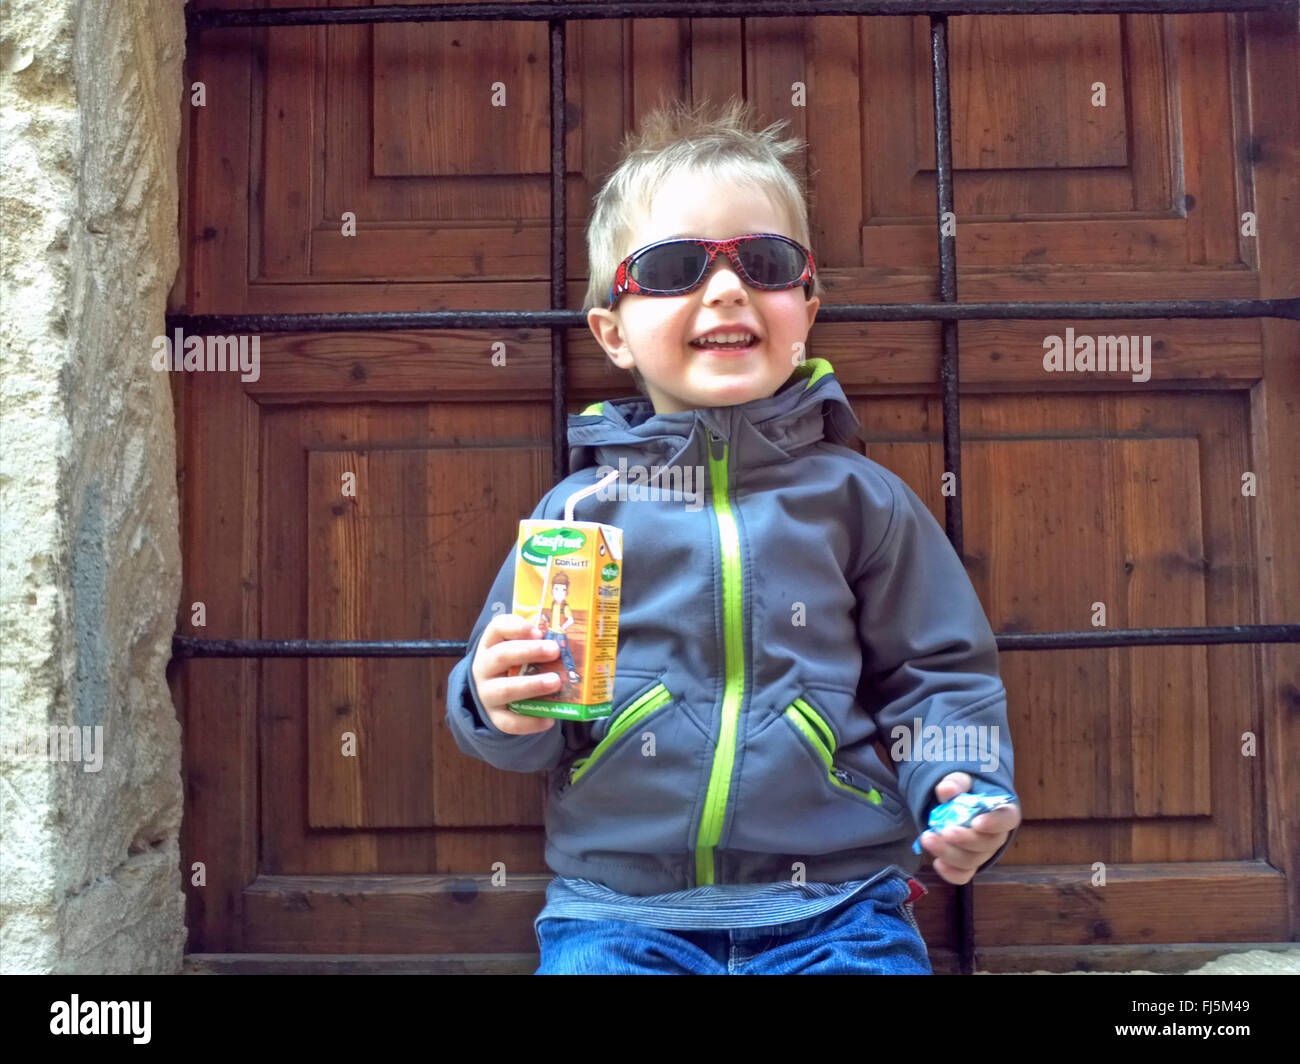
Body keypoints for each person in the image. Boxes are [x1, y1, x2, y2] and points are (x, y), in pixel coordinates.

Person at [445, 97, 1021, 974]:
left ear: (809, 305)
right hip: (617, 912)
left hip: (837, 903)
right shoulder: (579, 512)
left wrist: (961, 784)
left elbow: (936, 672)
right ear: (613, 333)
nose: (725, 288)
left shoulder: (862, 501)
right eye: (675, 267)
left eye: (765, 261)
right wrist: (495, 706)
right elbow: (520, 718)